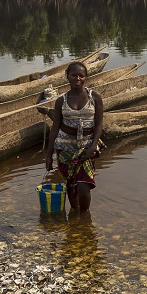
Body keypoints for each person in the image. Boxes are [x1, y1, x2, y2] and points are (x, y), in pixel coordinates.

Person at [45, 61, 105, 212]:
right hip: (65, 148)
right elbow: (55, 128)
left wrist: (92, 148)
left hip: (87, 148)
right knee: (71, 186)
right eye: (74, 75)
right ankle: (74, 214)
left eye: (81, 75)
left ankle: (83, 220)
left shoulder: (94, 97)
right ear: (67, 77)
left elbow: (98, 125)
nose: (77, 78)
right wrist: (48, 154)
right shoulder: (61, 101)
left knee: (84, 188)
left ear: (85, 78)